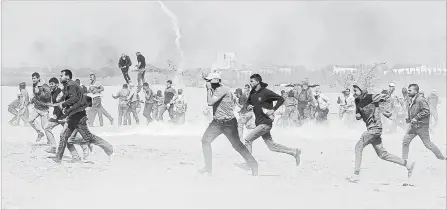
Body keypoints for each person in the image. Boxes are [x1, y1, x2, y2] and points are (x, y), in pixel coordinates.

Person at [346, 83, 415, 183]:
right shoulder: (357, 101)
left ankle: (356, 175)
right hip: (372, 129)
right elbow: (358, 115)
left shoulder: (371, 97)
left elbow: (385, 97)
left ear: (363, 90)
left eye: (356, 90)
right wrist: (357, 115)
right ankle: (407, 164)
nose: (354, 92)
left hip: (375, 128)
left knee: (358, 147)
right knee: (383, 155)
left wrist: (387, 96)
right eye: (354, 90)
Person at [49, 69, 114, 164]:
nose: (60, 77)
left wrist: (63, 105)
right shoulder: (69, 85)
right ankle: (58, 158)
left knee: (89, 137)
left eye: (61, 75)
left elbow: (73, 99)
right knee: (64, 136)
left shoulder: (71, 85)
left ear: (67, 77)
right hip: (73, 115)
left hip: (79, 116)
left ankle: (110, 149)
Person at [199, 72, 258, 176]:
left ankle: (253, 165)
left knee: (237, 145)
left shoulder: (222, 89)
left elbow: (210, 102)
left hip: (228, 123)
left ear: (217, 80)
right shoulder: (217, 88)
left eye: (210, 80)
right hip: (217, 122)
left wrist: (208, 89)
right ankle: (208, 167)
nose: (208, 82)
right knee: (205, 141)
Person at [242, 74, 301, 168]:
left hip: (265, 123)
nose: (250, 83)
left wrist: (273, 109)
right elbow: (248, 102)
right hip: (260, 123)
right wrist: (248, 106)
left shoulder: (266, 92)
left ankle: (249, 165)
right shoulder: (252, 94)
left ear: (258, 82)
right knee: (271, 146)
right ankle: (294, 152)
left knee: (247, 140)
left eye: (252, 81)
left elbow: (281, 99)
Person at [401, 84, 446, 161]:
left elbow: (426, 111)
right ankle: (404, 160)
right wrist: (409, 118)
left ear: (415, 91)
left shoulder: (420, 99)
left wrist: (416, 117)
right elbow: (412, 110)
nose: (408, 92)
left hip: (422, 127)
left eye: (410, 90)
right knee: (405, 141)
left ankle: (442, 157)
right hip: (413, 127)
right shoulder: (412, 99)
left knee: (428, 144)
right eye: (408, 90)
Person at [29, 73, 51, 143]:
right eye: (32, 78)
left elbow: (48, 96)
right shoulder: (34, 85)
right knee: (30, 120)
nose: (33, 79)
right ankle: (40, 133)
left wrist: (38, 92)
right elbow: (36, 95)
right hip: (36, 108)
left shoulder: (45, 86)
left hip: (44, 110)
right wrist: (32, 100)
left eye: (34, 78)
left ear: (38, 78)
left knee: (45, 127)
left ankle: (50, 141)